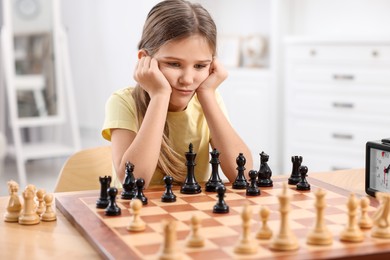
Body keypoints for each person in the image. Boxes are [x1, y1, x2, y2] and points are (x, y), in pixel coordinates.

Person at [102, 0, 253, 188]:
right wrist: (159, 96)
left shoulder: (208, 99)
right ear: (145, 60)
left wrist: (206, 94)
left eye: (200, 66)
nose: (188, 79)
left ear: (212, 65)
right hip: (136, 214)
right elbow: (133, 182)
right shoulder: (123, 102)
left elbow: (245, 175)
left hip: (193, 215)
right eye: (174, 64)